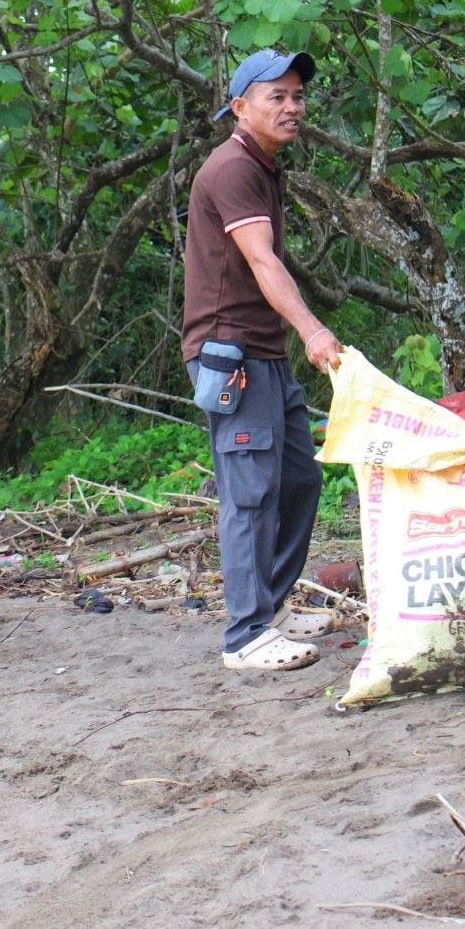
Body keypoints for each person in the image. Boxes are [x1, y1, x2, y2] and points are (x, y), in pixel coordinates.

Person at [184, 48, 345, 671]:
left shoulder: (263, 166)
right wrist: (312, 329)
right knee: (249, 494)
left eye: (298, 96)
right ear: (239, 105)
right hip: (232, 357)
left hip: (264, 354)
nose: (292, 107)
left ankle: (272, 609)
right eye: (275, 96)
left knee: (300, 479)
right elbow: (263, 261)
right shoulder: (230, 170)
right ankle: (246, 636)